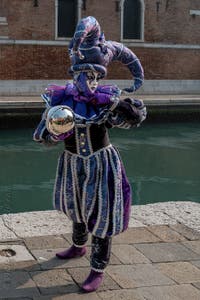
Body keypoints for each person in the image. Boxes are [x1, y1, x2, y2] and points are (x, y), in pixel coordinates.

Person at [33, 16, 146, 292]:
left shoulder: (106, 102)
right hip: (72, 164)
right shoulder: (60, 101)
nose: (90, 81)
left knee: (102, 214)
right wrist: (55, 134)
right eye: (85, 75)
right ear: (74, 74)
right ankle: (78, 246)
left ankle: (98, 268)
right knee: (77, 207)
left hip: (102, 164)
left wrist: (130, 111)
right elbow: (42, 137)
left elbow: (129, 122)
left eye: (95, 76)